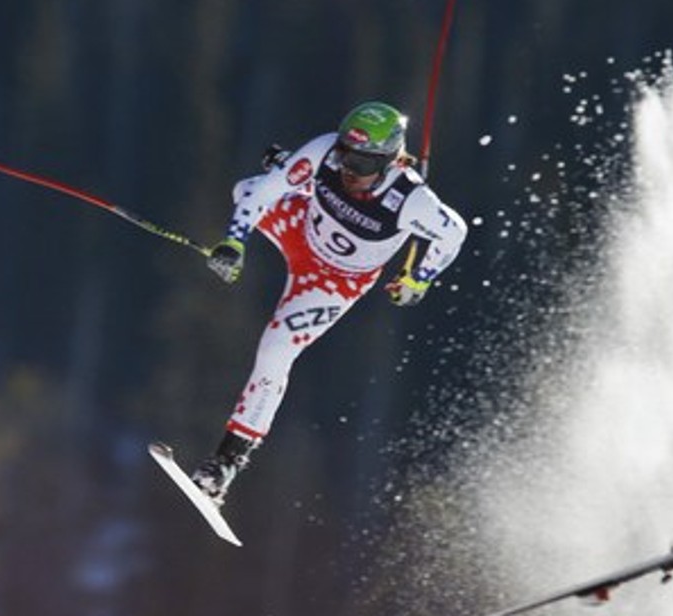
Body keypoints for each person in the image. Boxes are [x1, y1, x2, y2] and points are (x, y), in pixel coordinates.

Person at [190, 101, 468, 504]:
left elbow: (454, 234)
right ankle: (294, 177)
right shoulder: (325, 152)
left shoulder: (412, 201)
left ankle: (224, 466)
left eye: (361, 162)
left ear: (389, 162)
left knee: (276, 349)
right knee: (247, 190)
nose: (349, 170)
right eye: (344, 155)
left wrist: (418, 279)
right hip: (300, 230)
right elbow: (262, 194)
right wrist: (234, 243)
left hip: (333, 281)